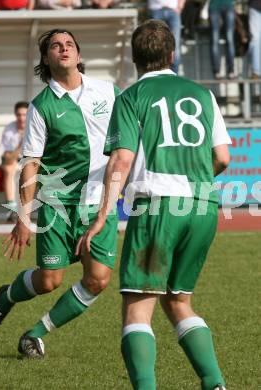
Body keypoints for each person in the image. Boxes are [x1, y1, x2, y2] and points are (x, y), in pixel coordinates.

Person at [77, 20, 231, 390]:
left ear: (134, 58)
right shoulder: (202, 94)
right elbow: (223, 157)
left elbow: (122, 160)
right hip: (203, 206)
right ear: (172, 55)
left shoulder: (130, 98)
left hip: (158, 209)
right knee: (178, 300)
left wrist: (101, 218)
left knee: (137, 307)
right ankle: (216, 384)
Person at [0, 28, 119, 359]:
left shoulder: (109, 92)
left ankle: (36, 334)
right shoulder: (42, 106)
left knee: (97, 280)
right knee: (49, 281)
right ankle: (6, 297)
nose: (64, 48)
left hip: (99, 203)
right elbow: (31, 164)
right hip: (58, 205)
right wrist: (23, 218)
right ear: (46, 58)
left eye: (70, 44)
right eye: (56, 45)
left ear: (79, 55)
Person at [1, 101, 28, 220]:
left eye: (24, 114)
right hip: (15, 161)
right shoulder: (9, 129)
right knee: (8, 168)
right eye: (19, 115)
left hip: (33, 161)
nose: (21, 118)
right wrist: (20, 145)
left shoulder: (35, 125)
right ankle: (12, 208)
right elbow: (7, 157)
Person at [147, 0, 186, 73]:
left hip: (173, 10)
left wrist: (180, 6)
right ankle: (156, 78)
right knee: (154, 45)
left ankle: (174, 79)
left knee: (175, 46)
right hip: (156, 9)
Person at [209, 0, 236, 79]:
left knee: (230, 39)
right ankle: (216, 71)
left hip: (229, 4)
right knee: (214, 39)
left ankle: (231, 70)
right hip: (214, 5)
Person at [248, 0, 261, 79]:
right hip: (255, 7)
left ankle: (256, 71)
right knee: (255, 40)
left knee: (255, 40)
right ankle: (256, 71)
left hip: (255, 6)